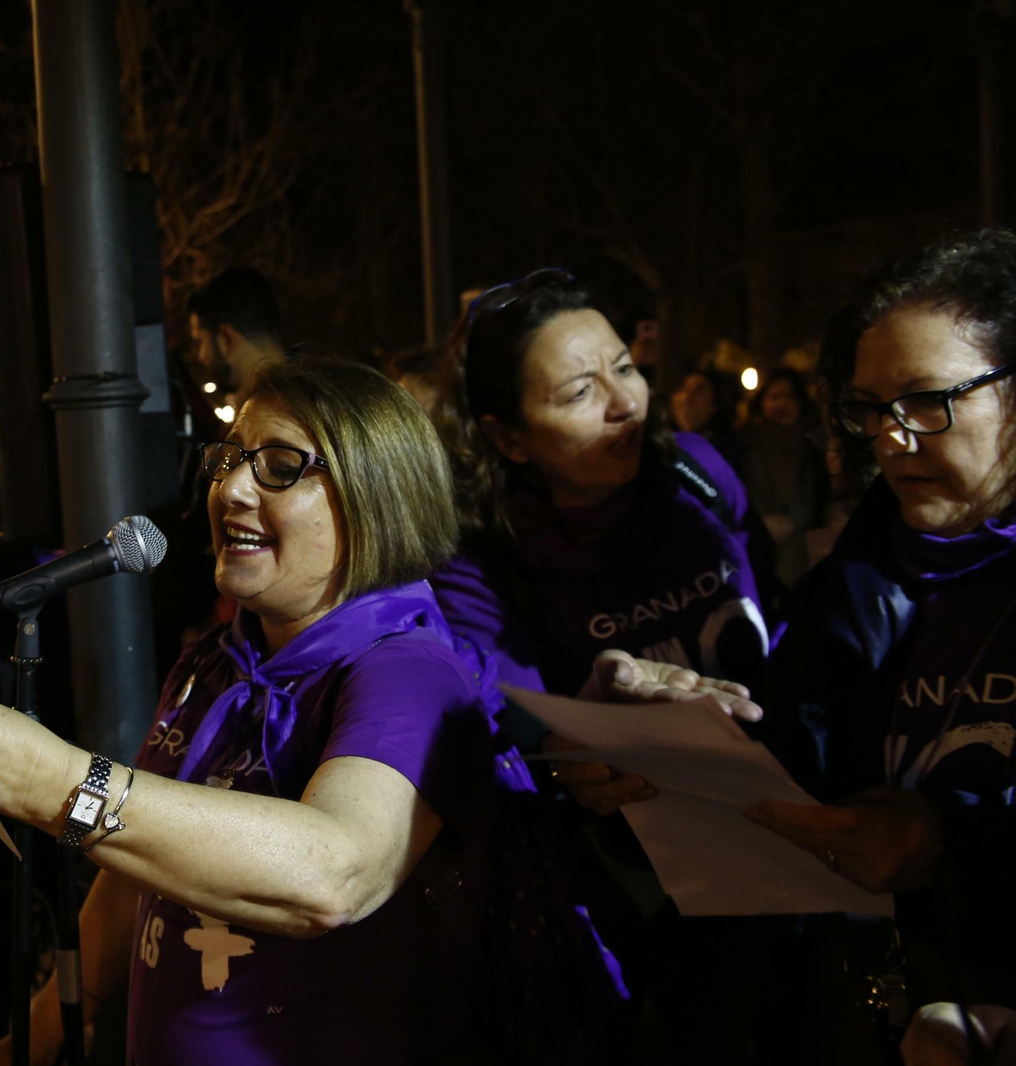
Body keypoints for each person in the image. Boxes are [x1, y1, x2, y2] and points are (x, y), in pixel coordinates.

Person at [0, 360, 498, 1064]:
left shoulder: (406, 670)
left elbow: (336, 873)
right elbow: (130, 871)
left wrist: (47, 778)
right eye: (228, 459)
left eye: (276, 466)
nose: (230, 488)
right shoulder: (214, 661)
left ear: (376, 495)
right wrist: (39, 1035)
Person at [426, 268, 780, 1060]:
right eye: (580, 392)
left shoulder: (699, 473)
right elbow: (509, 720)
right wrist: (580, 746)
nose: (625, 403)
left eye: (624, 367)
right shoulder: (481, 559)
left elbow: (778, 619)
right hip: (630, 893)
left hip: (777, 848)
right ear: (508, 436)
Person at [735, 231, 1016, 1054]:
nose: (891, 439)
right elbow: (790, 784)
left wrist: (948, 852)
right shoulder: (850, 586)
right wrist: (669, 752)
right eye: (868, 408)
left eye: (929, 400)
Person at [741, 366, 828, 585]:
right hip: (755, 544)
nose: (781, 404)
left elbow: (816, 496)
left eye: (789, 397)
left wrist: (792, 521)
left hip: (800, 550)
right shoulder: (745, 444)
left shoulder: (813, 448)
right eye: (774, 396)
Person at [187, 267, 287, 393]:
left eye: (201, 341)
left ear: (226, 339)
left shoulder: (263, 409)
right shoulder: (309, 400)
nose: (200, 357)